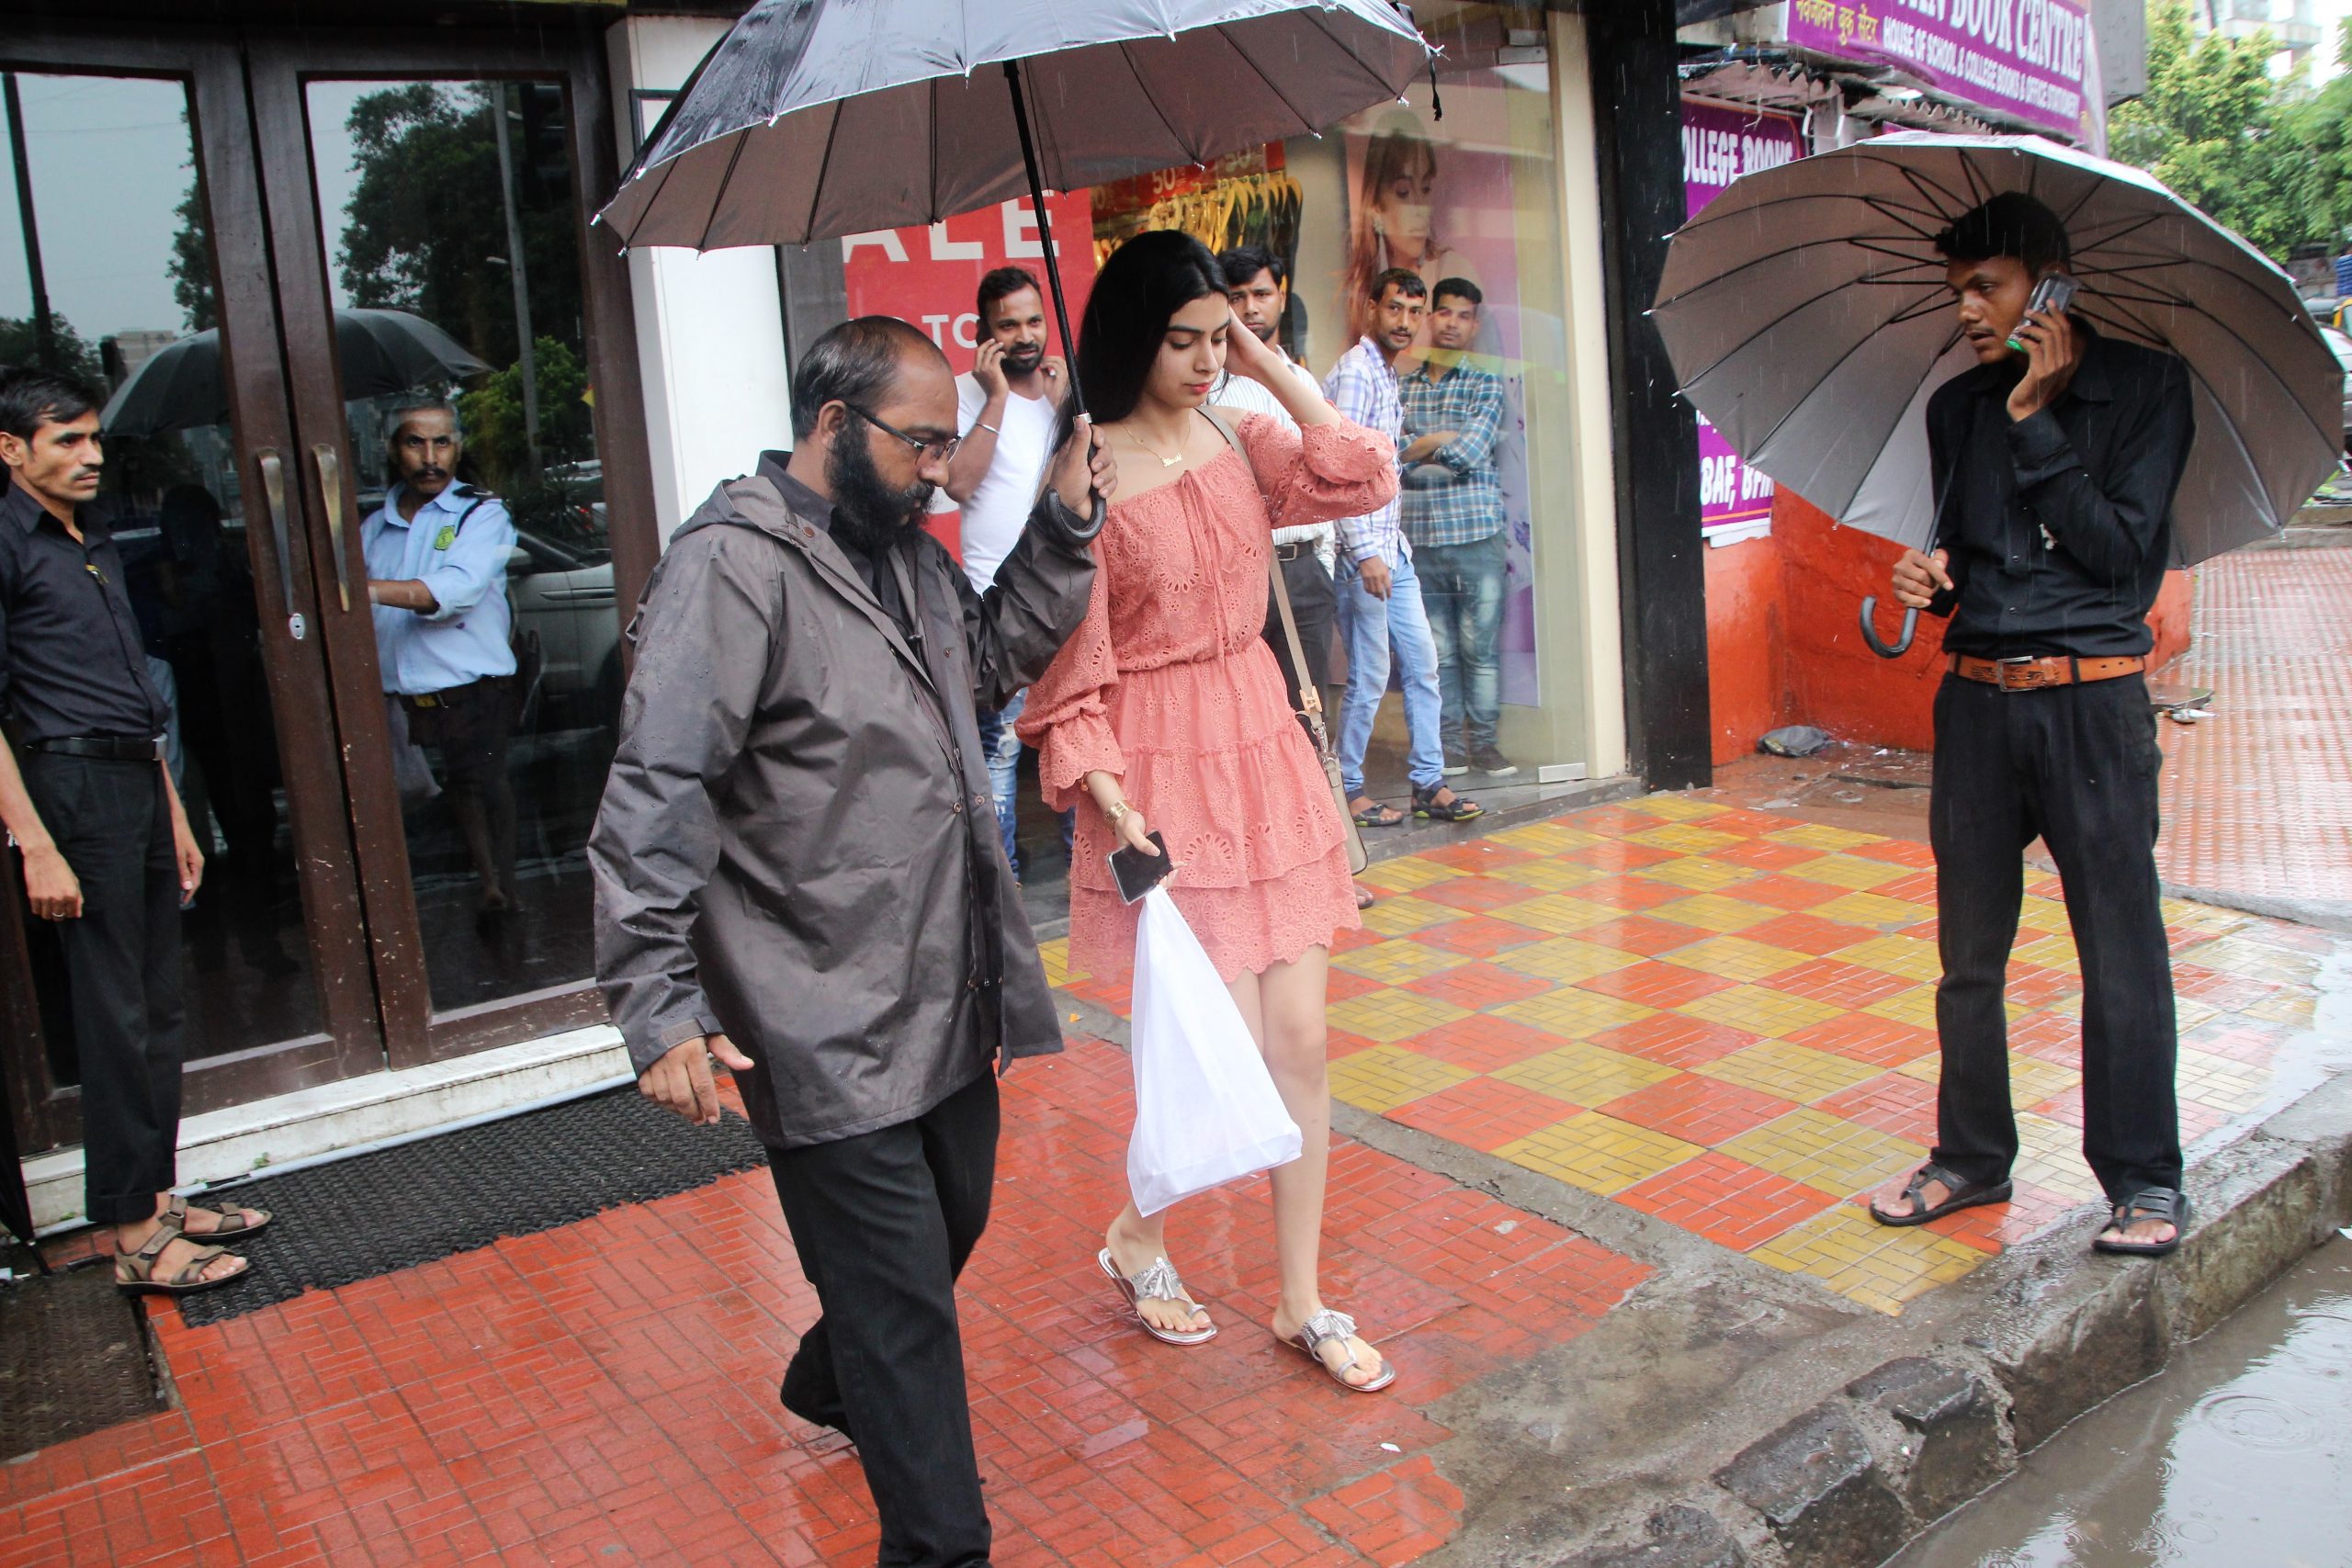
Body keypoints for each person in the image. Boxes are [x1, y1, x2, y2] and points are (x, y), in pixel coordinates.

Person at [591, 316, 1112, 1568]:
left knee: (950, 1229)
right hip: (814, 1006)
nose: (942, 467)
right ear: (833, 423)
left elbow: (983, 664)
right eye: (922, 440)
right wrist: (658, 1005)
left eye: (948, 441)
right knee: (908, 1312)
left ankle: (838, 1372)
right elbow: (658, 785)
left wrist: (1062, 525)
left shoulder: (904, 555)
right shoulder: (733, 566)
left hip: (943, 985)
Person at [1018, 230, 1400, 1394]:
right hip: (1160, 770)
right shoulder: (1086, 475)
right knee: (1213, 1048)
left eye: (1215, 335)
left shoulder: (1243, 431)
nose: (1200, 358)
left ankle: (1299, 1300)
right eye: (1180, 339)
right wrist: (1106, 791)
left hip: (1263, 745)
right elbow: (1065, 674)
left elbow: (1360, 475)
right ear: (1134, 338)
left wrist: (1266, 360)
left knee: (1301, 1043)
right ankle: (1140, 1231)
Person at [1869, 193, 2197, 1258]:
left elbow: (2120, 562)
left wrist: (2037, 421)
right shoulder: (1955, 408)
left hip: (2092, 704)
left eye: (1985, 287)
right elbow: (1970, 556)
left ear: (2050, 285)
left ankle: (2143, 1179)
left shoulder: (2147, 389)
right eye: (1954, 289)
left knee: (2120, 950)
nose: (1964, 310)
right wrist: (1933, 580)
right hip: (1974, 706)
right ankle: (1969, 1159)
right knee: (1968, 954)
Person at [0, 367, 266, 1295]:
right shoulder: (8, 543)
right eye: (65, 440)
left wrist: (175, 810)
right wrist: (33, 840)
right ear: (10, 450)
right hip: (69, 787)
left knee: (157, 1004)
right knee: (115, 1013)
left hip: (134, 776)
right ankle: (131, 1235)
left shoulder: (93, 539)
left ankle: (152, 1193)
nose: (89, 455)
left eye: (92, 438)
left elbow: (128, 688)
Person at [1324, 269, 1481, 828]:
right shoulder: (1358, 374)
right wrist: (1365, 552)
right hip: (1363, 555)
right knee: (1369, 676)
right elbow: (1338, 470)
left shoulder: (1386, 375)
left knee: (1423, 666)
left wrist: (1386, 548)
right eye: (1395, 309)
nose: (1405, 322)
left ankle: (1428, 782)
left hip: (1396, 550)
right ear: (1372, 309)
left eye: (1414, 312)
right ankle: (1347, 789)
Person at [938, 265, 1073, 882]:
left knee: (1076, 737)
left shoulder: (1059, 392)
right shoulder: (965, 396)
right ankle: (1004, 889)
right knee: (1000, 751)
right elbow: (959, 484)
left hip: (1067, 593)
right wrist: (994, 397)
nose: (1025, 336)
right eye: (1009, 324)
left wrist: (1066, 406)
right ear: (984, 332)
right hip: (997, 599)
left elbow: (1082, 489)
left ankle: (1089, 871)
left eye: (1034, 320)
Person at [361, 400, 520, 916]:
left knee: (481, 791)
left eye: (442, 443)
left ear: (458, 446)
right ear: (392, 450)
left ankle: (500, 896)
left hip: (472, 691)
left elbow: (455, 589)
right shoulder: (370, 531)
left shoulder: (481, 513)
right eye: (415, 443)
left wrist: (365, 590)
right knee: (419, 804)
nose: (430, 457)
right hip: (400, 698)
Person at [1399, 278, 1514, 780]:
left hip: (1476, 537)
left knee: (1479, 651)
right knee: (1438, 653)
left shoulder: (1486, 382)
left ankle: (1485, 745)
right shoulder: (1404, 385)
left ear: (1475, 323)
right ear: (1431, 317)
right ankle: (1451, 749)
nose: (1451, 323)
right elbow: (1393, 459)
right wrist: (1434, 443)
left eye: (1463, 315)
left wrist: (1422, 445)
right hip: (1421, 539)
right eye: (1443, 312)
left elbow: (1471, 453)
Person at [1340, 109, 1481, 352]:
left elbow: (1475, 369)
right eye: (1403, 192)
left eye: (1425, 188)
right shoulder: (1362, 285)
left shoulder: (1450, 272)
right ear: (1376, 207)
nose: (1419, 208)